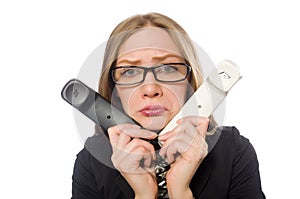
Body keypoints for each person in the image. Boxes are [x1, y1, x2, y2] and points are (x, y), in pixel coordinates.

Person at [71, 12, 265, 199]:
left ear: (189, 81)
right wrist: (144, 195)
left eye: (167, 68)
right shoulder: (91, 162)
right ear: (114, 89)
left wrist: (180, 192)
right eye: (130, 72)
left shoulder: (234, 151)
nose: (150, 88)